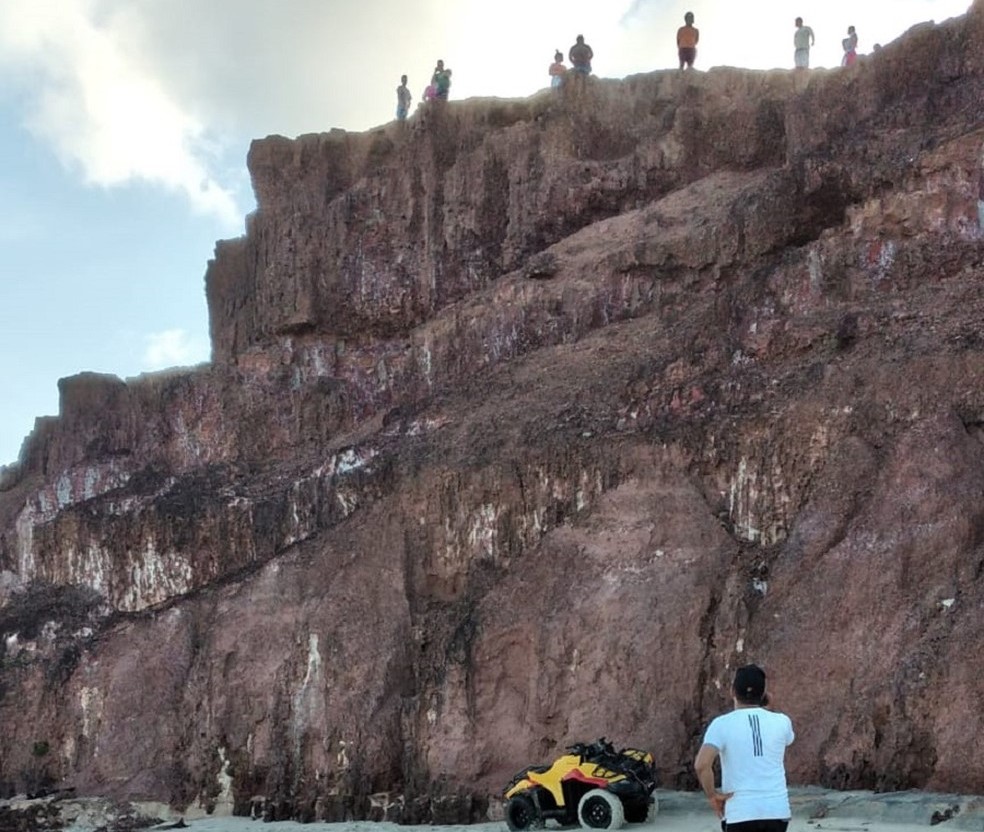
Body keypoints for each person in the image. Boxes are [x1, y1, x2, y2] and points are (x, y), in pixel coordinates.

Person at [695, 665, 795, 832]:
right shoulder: (782, 721)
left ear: (732, 691)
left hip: (739, 811)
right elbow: (787, 739)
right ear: (764, 694)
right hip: (776, 810)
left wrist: (712, 795)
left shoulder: (721, 724)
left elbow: (701, 765)